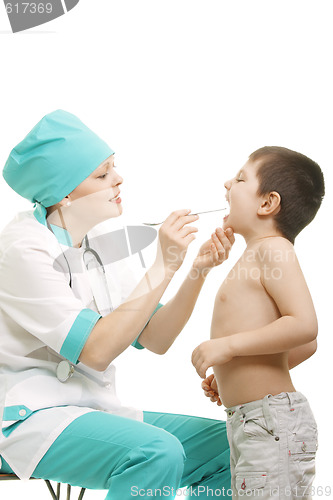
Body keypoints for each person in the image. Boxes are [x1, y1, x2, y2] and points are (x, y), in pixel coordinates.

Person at [0, 110, 235, 499]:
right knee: (156, 453)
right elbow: (96, 350)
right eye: (102, 174)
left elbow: (155, 338)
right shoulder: (21, 248)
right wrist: (162, 264)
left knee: (230, 448)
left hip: (91, 411)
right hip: (28, 420)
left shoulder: (99, 240)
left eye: (115, 168)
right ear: (65, 192)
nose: (119, 179)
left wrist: (195, 270)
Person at [192, 146, 325, 499]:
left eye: (239, 178)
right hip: (253, 420)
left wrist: (227, 348)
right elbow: (304, 346)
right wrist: (232, 373)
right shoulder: (254, 254)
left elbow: (305, 327)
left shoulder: (272, 250)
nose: (226, 184)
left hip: (269, 422)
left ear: (267, 204)